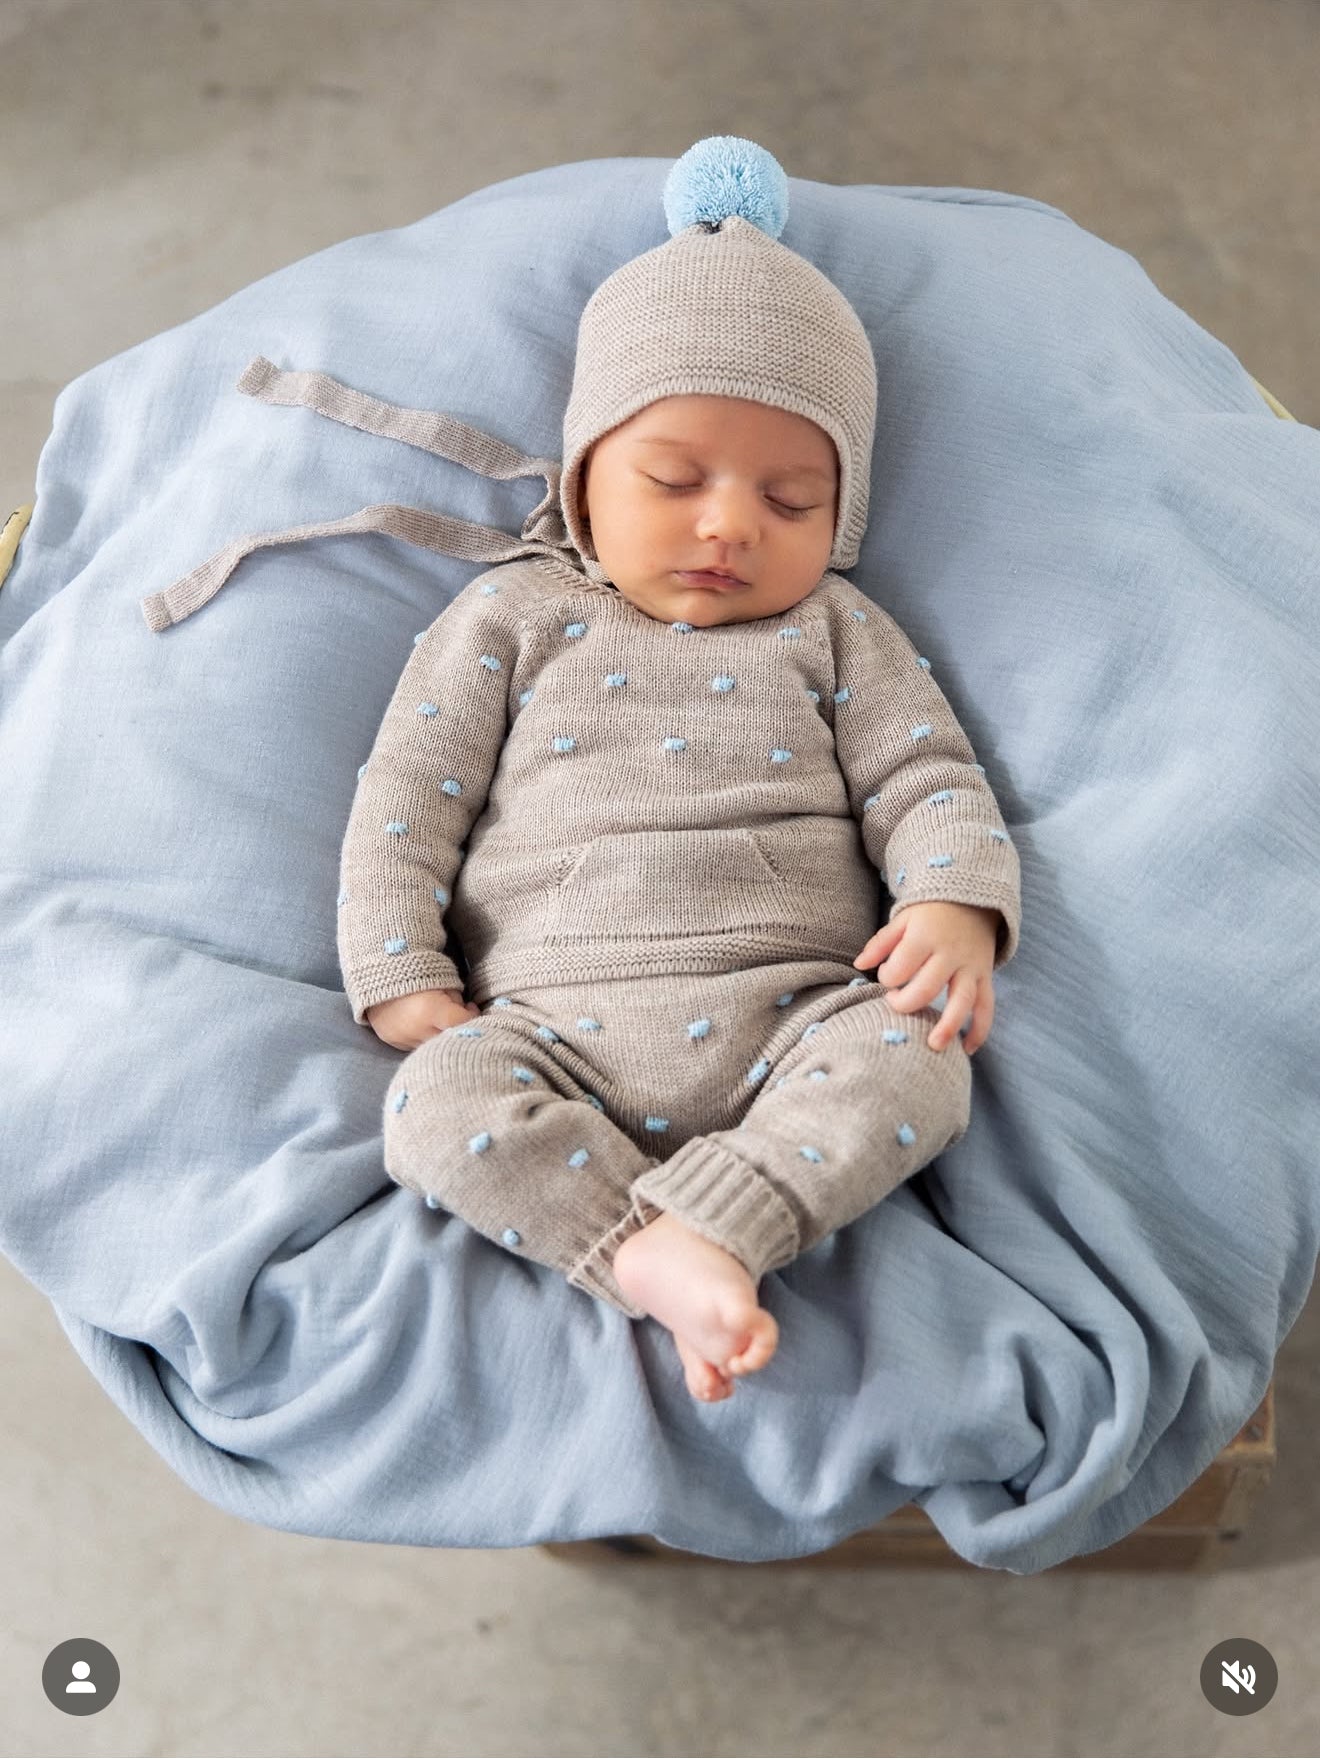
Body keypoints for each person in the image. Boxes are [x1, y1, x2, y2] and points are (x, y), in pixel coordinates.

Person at [143, 137, 1022, 1403]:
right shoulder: (511, 619)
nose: (729, 523)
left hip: (799, 1014)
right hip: (549, 1035)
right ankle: (642, 1247)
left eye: (792, 500)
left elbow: (926, 774)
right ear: (584, 481)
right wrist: (399, 968)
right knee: (432, 1105)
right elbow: (407, 802)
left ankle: (730, 1214)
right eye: (674, 478)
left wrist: (955, 902)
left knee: (923, 1058)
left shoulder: (838, 629)